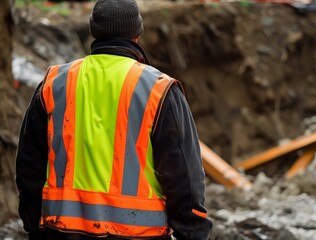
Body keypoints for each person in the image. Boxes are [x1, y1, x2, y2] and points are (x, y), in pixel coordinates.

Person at [15, 0, 213, 239]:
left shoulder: (55, 82)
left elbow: (29, 167)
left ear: (93, 32)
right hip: (138, 234)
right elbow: (186, 179)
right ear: (137, 34)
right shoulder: (158, 90)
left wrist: (35, 228)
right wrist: (192, 233)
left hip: (61, 232)